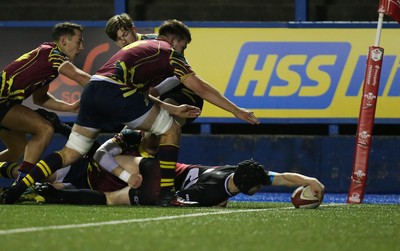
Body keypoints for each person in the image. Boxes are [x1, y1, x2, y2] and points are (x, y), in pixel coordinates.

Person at [0, 19, 259, 204]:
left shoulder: (136, 49)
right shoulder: (168, 51)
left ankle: (18, 188)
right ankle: (167, 195)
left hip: (94, 91)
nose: (183, 54)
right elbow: (199, 86)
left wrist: (169, 106)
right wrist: (235, 110)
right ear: (173, 39)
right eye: (183, 46)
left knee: (70, 152)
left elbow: (139, 94)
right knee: (171, 128)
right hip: (115, 95)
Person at [0, 128, 325, 207]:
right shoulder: (129, 140)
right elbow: (101, 153)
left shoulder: (230, 173)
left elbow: (278, 177)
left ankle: (41, 190)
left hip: (109, 177)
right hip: (110, 173)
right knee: (32, 172)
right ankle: (31, 185)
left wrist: (309, 179)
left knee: (43, 177)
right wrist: (129, 176)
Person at [0, 22, 91, 181]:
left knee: (18, 149)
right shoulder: (53, 54)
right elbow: (81, 77)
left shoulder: (47, 59)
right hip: (2, 101)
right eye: (79, 41)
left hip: (6, 103)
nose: (82, 47)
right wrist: (112, 87)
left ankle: (22, 179)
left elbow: (40, 98)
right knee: (44, 129)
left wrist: (69, 107)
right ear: (64, 40)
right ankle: (24, 183)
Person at [105, 13, 203, 127]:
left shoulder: (155, 41)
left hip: (183, 92)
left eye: (125, 34)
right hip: (155, 99)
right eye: (118, 39)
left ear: (133, 29)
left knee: (164, 125)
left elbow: (181, 71)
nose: (123, 41)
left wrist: (156, 91)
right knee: (136, 136)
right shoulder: (123, 57)